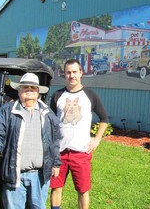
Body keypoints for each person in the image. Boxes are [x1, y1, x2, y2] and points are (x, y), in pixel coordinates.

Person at [0, 72, 62, 209]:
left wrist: (56, 163)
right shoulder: (7, 111)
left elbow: (55, 140)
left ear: (38, 92)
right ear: (19, 90)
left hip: (40, 176)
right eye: (25, 87)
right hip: (14, 174)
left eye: (33, 88)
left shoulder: (48, 114)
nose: (29, 90)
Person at [49, 59, 109, 209]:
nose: (71, 75)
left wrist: (97, 139)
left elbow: (104, 118)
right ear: (64, 74)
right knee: (56, 187)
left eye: (75, 72)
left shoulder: (90, 95)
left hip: (81, 152)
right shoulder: (57, 95)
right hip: (59, 153)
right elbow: (49, 122)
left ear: (81, 73)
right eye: (68, 72)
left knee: (83, 190)